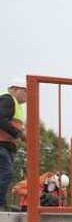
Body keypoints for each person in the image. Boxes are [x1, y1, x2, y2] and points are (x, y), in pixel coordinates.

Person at [0, 78, 27, 210]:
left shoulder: (16, 105)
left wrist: (20, 132)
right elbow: (1, 119)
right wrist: (19, 133)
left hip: (7, 146)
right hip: (1, 145)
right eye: (25, 91)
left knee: (5, 173)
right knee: (6, 173)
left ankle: (2, 203)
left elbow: (10, 123)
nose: (27, 95)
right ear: (15, 89)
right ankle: (0, 204)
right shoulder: (8, 99)